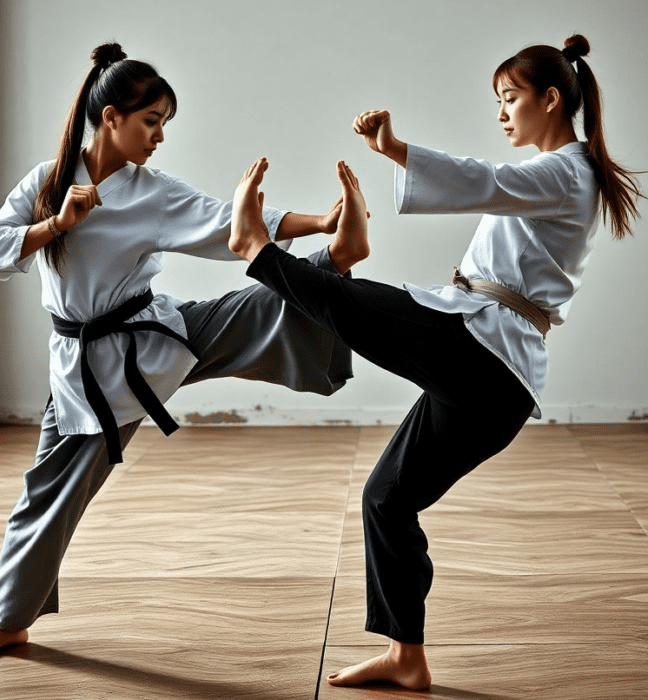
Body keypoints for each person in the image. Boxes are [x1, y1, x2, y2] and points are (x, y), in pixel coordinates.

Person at [228, 34, 642, 689]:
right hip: (492, 379)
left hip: (481, 353)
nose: (501, 113)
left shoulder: (565, 171)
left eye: (510, 98)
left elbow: (487, 179)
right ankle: (407, 656)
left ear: (550, 99)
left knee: (346, 301)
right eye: (498, 100)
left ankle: (255, 249)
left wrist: (397, 150)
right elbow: (493, 183)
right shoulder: (564, 173)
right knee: (386, 499)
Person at [0, 42, 367, 662]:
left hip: (152, 333)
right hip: (88, 370)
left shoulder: (151, 192)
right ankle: (11, 619)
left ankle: (332, 262)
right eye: (152, 121)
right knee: (48, 493)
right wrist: (57, 224)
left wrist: (321, 224)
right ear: (112, 117)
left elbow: (228, 224)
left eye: (164, 124)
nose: (160, 137)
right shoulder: (47, 181)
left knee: (248, 308)